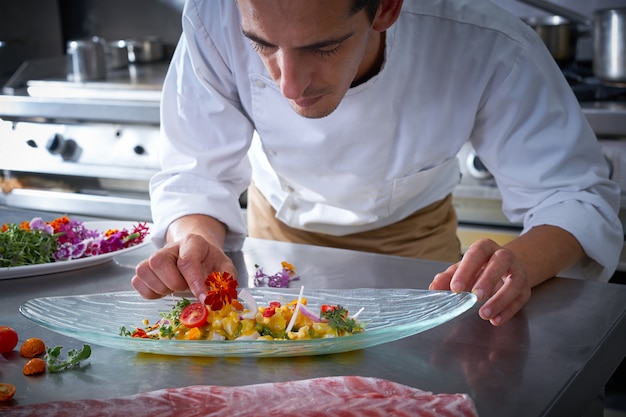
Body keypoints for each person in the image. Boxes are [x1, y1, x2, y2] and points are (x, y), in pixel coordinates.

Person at [132, 0, 622, 326]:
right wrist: (194, 239)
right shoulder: (213, 18)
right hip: (275, 248)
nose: (289, 86)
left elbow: (574, 196)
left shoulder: (485, 43)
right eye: (263, 45)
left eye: (322, 47)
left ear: (385, 8)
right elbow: (196, 173)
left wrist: (518, 263)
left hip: (418, 258)